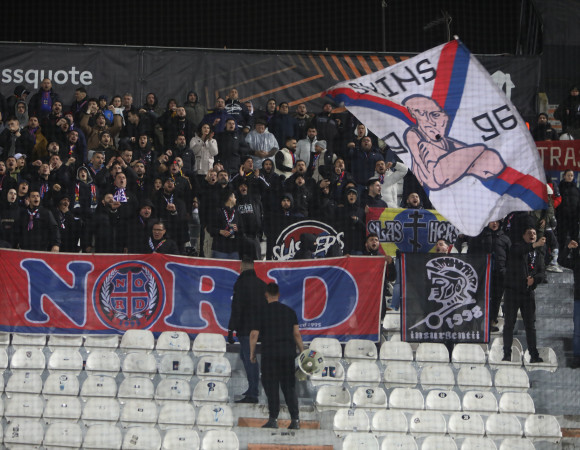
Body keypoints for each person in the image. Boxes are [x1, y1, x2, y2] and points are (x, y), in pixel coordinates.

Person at [250, 282, 303, 430]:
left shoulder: (260, 311)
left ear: (266, 294)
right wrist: (302, 352)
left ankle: (273, 420)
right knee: (289, 388)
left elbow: (254, 334)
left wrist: (252, 354)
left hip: (270, 355)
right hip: (287, 355)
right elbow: (296, 334)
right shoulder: (290, 311)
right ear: (279, 295)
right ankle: (295, 420)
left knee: (271, 387)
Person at [502, 227, 546, 363]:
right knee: (509, 324)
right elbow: (519, 251)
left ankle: (534, 355)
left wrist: (534, 279)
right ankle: (507, 354)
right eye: (529, 233)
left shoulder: (538, 254)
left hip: (528, 293)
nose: (532, 235)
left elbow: (542, 273)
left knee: (530, 326)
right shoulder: (516, 247)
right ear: (523, 236)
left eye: (534, 233)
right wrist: (535, 245)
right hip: (512, 292)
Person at [228, 258, 267, 403]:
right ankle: (252, 389)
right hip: (259, 328)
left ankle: (253, 392)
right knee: (247, 357)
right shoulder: (262, 284)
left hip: (245, 328)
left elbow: (236, 307)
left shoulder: (241, 284)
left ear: (242, 267)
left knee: (249, 359)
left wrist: (231, 328)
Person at [561, 239, 580, 369]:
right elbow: (561, 260)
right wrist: (567, 248)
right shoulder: (577, 261)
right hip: (579, 299)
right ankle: (577, 357)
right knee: (578, 331)